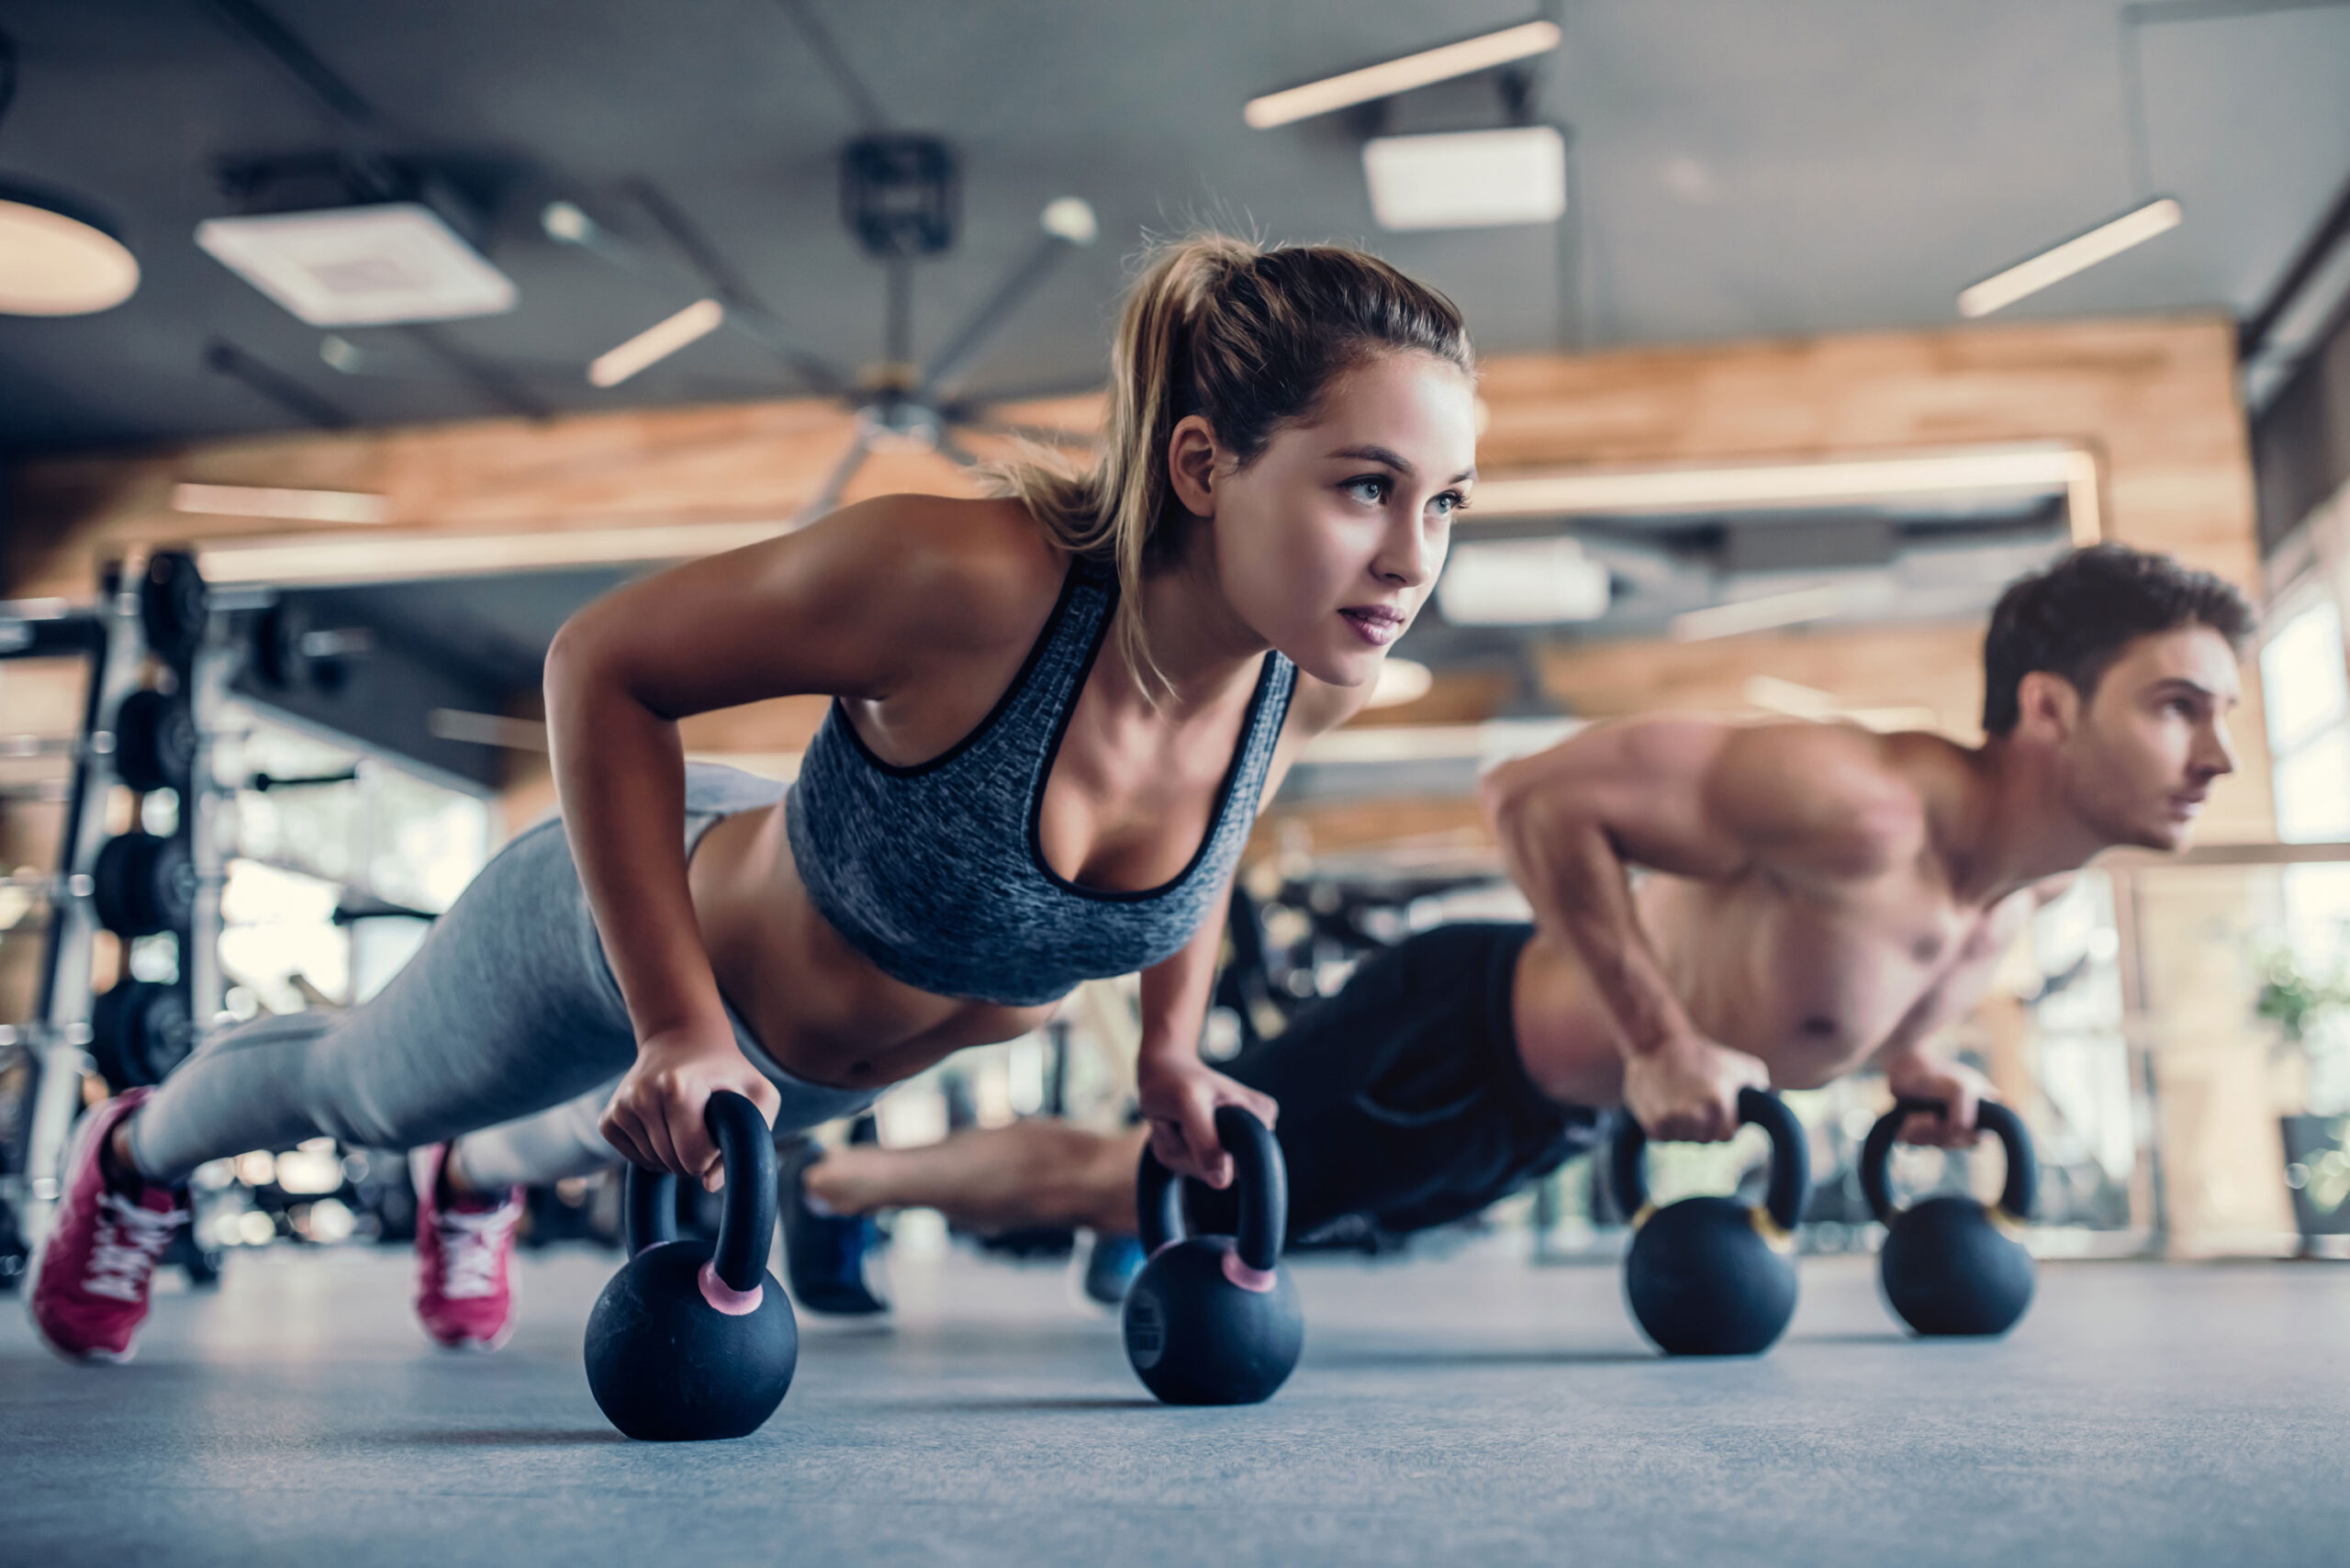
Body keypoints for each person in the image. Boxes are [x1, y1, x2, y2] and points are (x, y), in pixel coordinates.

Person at [29, 234, 1483, 1362]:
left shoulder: (1308, 677)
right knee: (361, 1097)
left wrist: (1171, 1051)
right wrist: (674, 1022)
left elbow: (1203, 855)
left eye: (1447, 502)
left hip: (771, 1076)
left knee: (585, 1127)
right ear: (1202, 465)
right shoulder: (966, 585)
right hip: (635, 926)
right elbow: (602, 663)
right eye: (1368, 486)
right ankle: (138, 1154)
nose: (1413, 556)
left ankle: (476, 1185)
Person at [783, 544, 2249, 1296]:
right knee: (1129, 1183)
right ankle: (839, 1192)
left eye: (2229, 716)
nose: (2220, 756)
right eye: (2180, 707)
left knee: (1207, 1214)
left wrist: (1918, 1065)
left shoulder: (2022, 885)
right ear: (2050, 710)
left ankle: (884, 1192)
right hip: (1455, 1039)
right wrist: (1663, 1034)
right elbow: (1532, 791)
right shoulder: (1856, 799)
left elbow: (1862, 976)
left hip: (1524, 1118)